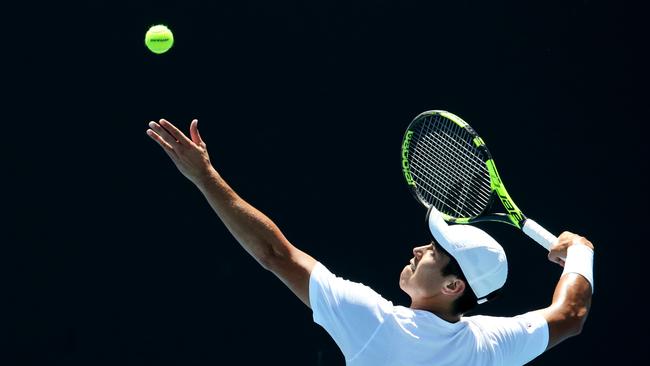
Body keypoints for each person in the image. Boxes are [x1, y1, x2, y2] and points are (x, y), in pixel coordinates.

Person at [146, 118, 594, 366]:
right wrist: (581, 255)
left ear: (454, 286)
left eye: (434, 252)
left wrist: (204, 177)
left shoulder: (379, 325)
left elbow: (275, 254)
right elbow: (570, 316)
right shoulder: (491, 345)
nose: (418, 250)